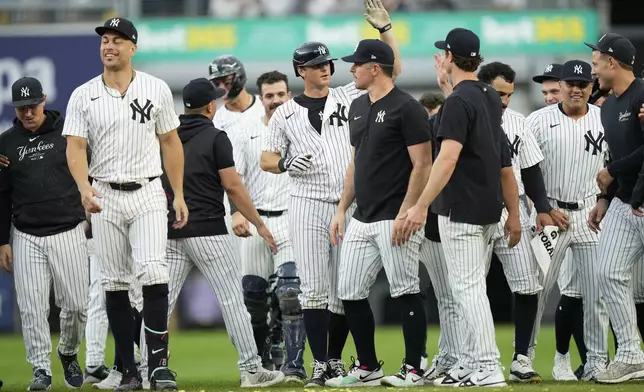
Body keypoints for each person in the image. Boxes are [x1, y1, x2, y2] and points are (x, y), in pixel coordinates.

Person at [260, 0, 401, 386]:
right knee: (313, 288)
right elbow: (266, 158)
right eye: (317, 65)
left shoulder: (347, 97)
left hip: (348, 204)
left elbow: (392, 72)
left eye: (328, 64)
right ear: (300, 71)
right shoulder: (285, 112)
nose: (325, 69)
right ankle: (321, 362)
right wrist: (286, 164)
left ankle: (336, 360)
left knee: (345, 289)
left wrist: (384, 30)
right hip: (305, 202)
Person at [63, 17, 187, 390]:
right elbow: (76, 147)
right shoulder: (83, 94)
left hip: (148, 190)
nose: (109, 46)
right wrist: (84, 188)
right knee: (114, 282)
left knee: (153, 272)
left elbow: (170, 142)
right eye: (105, 40)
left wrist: (178, 193)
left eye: (118, 40)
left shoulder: (156, 88)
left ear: (133, 47)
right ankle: (129, 369)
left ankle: (159, 366)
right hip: (105, 194)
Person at [402, 27, 521, 387]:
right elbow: (495, 153)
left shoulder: (458, 101)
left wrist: (421, 204)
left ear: (450, 57)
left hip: (461, 208)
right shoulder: (487, 95)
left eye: (445, 54)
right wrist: (447, 88)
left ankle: (486, 365)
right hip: (488, 206)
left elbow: (448, 157)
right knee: (470, 289)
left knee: (467, 290)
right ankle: (473, 363)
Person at [162, 77, 285, 388]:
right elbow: (233, 186)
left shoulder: (167, 137)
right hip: (209, 231)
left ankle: (147, 366)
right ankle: (251, 369)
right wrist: (258, 222)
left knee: (159, 304)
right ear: (210, 106)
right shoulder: (217, 137)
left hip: (172, 230)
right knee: (232, 300)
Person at [325, 38, 432, 388]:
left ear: (375, 68)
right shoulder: (357, 106)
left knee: (405, 291)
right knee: (350, 292)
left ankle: (414, 368)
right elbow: (355, 164)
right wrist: (342, 209)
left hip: (395, 215)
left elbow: (422, 165)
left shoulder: (408, 107)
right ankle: (368, 367)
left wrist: (409, 211)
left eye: (357, 64)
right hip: (362, 216)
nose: (351, 69)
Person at [0, 77, 88, 391]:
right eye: (21, 107)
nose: (27, 112)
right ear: (15, 107)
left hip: (68, 227)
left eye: (32, 105)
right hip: (26, 233)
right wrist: (2, 240)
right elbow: (2, 194)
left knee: (77, 305)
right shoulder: (6, 142)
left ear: (44, 100)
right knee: (32, 306)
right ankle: (40, 369)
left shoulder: (69, 134)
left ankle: (67, 351)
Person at [526, 59, 610, 382]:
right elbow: (523, 170)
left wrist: (603, 200)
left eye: (583, 85)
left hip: (589, 213)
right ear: (560, 86)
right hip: (551, 214)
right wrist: (541, 206)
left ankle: (596, 362)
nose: (576, 89)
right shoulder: (537, 120)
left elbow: (614, 165)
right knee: (537, 290)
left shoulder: (605, 120)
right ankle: (526, 356)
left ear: (591, 87)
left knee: (595, 294)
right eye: (570, 84)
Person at [476, 61, 555, 383]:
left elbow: (532, 170)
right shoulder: (464, 117)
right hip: (474, 211)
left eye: (508, 94)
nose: (504, 101)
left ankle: (522, 357)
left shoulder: (518, 122)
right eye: (499, 93)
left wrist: (544, 207)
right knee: (466, 290)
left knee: (527, 285)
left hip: (516, 208)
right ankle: (463, 357)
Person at [231, 71, 307, 383]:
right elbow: (234, 177)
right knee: (253, 299)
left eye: (280, 94)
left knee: (290, 293)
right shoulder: (245, 130)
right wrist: (237, 212)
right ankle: (262, 365)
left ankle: (293, 366)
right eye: (269, 96)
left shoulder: (303, 125)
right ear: (260, 98)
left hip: (291, 217)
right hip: (254, 220)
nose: (275, 100)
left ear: (289, 94)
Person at [208, 54, 279, 370]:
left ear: (238, 77)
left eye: (224, 80)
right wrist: (235, 209)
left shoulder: (266, 110)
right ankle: (258, 357)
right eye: (216, 82)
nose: (220, 87)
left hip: (280, 205)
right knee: (250, 293)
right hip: (237, 214)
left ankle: (280, 348)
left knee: (287, 289)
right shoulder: (217, 120)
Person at [587, 33, 644, 383]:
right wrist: (604, 198)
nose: (593, 71)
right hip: (624, 200)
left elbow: (620, 163)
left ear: (612, 62)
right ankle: (630, 355)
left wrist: (612, 172)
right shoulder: (607, 105)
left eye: (595, 63)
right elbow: (614, 158)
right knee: (607, 272)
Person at [85, 216, 148, 389]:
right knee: (114, 298)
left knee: (128, 300)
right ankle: (128, 365)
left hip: (131, 229)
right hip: (104, 231)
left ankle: (145, 362)